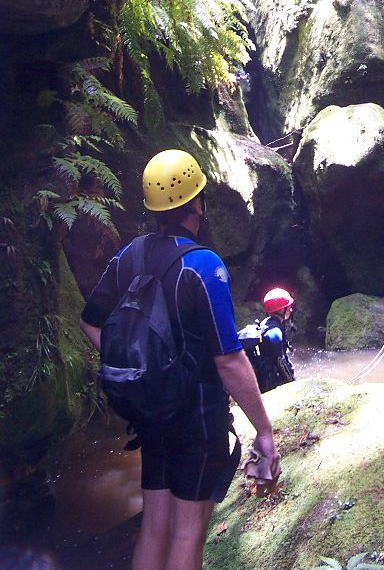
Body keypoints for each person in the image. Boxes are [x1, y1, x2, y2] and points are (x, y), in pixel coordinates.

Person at [80, 149, 280, 570]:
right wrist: (264, 429)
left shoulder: (128, 256)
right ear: (197, 204)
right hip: (198, 416)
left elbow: (90, 322)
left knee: (154, 525)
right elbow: (229, 361)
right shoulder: (203, 266)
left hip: (150, 412)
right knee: (189, 532)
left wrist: (141, 373)